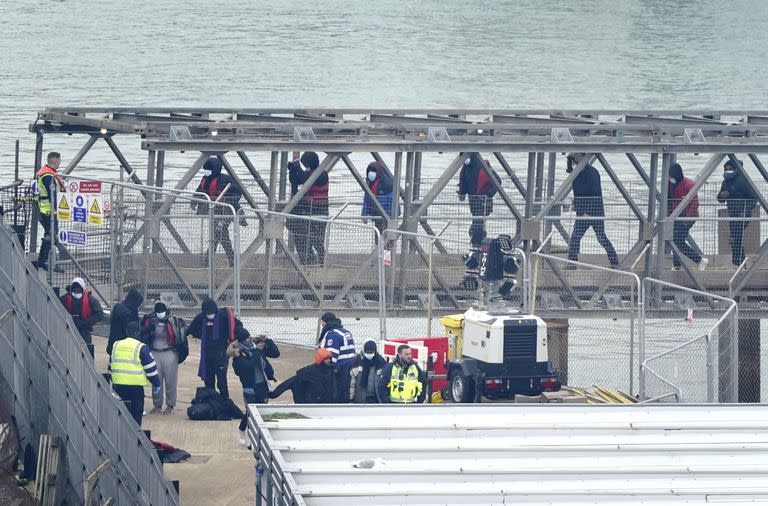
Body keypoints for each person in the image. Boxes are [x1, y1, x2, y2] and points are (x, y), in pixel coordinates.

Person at [566, 153, 619, 267]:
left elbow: (595, 193)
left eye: (575, 160)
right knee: (576, 237)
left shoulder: (591, 173)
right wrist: (569, 158)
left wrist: (588, 212)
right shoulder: (577, 173)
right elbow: (569, 170)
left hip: (594, 211)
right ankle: (572, 263)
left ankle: (615, 262)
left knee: (600, 237)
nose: (573, 163)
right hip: (583, 211)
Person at [191, 156, 243, 267]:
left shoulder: (225, 179)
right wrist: (193, 201)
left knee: (219, 233)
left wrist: (226, 202)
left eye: (208, 169)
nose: (206, 171)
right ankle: (231, 260)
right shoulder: (204, 179)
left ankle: (208, 261)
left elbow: (237, 194)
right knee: (220, 235)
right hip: (214, 213)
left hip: (227, 212)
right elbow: (199, 190)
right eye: (205, 169)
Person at [185, 297, 241, 399]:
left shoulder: (224, 316)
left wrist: (232, 341)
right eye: (207, 313)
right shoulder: (201, 317)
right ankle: (212, 402)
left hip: (221, 352)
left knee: (222, 381)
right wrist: (200, 335)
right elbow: (190, 329)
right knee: (209, 381)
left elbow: (238, 326)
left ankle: (225, 401)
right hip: (207, 353)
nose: (209, 314)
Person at [228, 328, 280, 436]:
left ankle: (256, 437)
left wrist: (268, 340)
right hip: (250, 387)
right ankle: (242, 430)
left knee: (261, 412)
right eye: (247, 339)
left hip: (263, 384)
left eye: (250, 337)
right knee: (250, 413)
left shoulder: (256, 347)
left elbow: (276, 353)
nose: (250, 340)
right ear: (241, 341)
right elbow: (251, 365)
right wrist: (258, 351)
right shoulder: (239, 354)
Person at [140, 300, 188, 415]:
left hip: (170, 353)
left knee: (170, 381)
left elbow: (180, 335)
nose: (160, 313)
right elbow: (143, 333)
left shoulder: (173, 320)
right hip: (154, 352)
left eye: (162, 310)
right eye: (158, 311)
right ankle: (157, 405)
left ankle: (170, 405)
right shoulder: (150, 320)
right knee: (156, 380)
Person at [109, 322, 160, 425]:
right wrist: (156, 383)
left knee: (121, 414)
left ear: (126, 332)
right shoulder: (141, 347)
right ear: (138, 333)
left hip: (118, 386)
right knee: (136, 414)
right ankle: (135, 437)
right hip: (135, 388)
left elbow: (111, 364)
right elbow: (150, 368)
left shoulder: (116, 344)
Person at [287, 151, 328, 264]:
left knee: (316, 239)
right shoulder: (308, 173)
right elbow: (295, 180)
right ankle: (308, 261)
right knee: (302, 237)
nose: (305, 166)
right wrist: (293, 170)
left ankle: (321, 260)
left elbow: (306, 180)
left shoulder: (321, 174)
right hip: (306, 211)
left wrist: (297, 165)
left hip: (319, 212)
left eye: (305, 163)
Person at [718, 158, 758, 266]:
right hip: (732, 215)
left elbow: (754, 198)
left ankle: (738, 263)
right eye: (726, 169)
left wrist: (745, 211)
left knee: (735, 238)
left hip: (742, 215)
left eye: (730, 169)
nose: (728, 171)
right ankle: (741, 263)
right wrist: (721, 196)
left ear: (735, 169)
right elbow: (720, 198)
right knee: (735, 239)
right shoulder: (725, 182)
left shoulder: (744, 181)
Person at [668, 163, 707, 271]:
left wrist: (687, 220)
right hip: (675, 216)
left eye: (671, 176)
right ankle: (677, 266)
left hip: (688, 217)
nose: (670, 178)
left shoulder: (688, 184)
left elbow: (695, 204)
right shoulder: (669, 184)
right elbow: (668, 201)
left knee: (678, 241)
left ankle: (699, 260)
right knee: (675, 240)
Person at [458, 153, 501, 248]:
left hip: (484, 202)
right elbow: (464, 182)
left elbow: (497, 181)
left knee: (477, 225)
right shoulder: (466, 167)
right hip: (473, 202)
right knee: (478, 224)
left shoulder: (483, 165)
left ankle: (478, 245)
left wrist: (488, 194)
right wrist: (462, 193)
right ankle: (479, 245)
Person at [33, 151, 66, 272]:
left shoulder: (45, 172)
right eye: (59, 161)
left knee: (49, 235)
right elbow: (52, 194)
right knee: (51, 235)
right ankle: (45, 262)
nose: (59, 163)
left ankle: (43, 261)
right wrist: (56, 210)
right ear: (55, 161)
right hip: (49, 211)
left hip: (46, 209)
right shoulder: (48, 175)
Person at [269, 348, 337, 403]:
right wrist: (274, 394)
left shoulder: (331, 371)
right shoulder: (309, 372)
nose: (328, 361)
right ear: (321, 360)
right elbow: (288, 383)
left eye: (329, 359)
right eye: (326, 359)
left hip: (324, 403)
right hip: (310, 403)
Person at [59, 277, 104, 357]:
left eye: (78, 290)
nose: (76, 292)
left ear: (82, 290)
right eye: (74, 290)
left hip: (85, 331)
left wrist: (86, 323)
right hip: (69, 330)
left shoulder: (91, 299)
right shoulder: (64, 299)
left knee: (86, 353)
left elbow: (100, 314)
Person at [318, 312, 355, 404]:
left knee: (338, 393)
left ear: (325, 322)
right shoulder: (346, 331)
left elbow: (330, 356)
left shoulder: (332, 334)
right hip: (351, 366)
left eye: (322, 322)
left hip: (340, 369)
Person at [361, 161, 395, 236]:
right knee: (378, 235)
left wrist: (377, 201)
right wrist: (364, 214)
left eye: (373, 171)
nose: (371, 173)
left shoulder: (387, 184)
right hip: (377, 214)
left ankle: (386, 246)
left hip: (387, 214)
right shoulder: (369, 184)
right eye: (369, 171)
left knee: (387, 235)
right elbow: (366, 199)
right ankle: (378, 246)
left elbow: (391, 199)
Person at [107, 286, 143, 355]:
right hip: (123, 347)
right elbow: (132, 331)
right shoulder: (129, 313)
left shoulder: (118, 307)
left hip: (114, 344)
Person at [349, 338, 386, 403]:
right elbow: (352, 383)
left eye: (372, 352)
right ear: (364, 351)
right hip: (360, 399)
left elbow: (384, 381)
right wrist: (350, 399)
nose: (370, 353)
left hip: (377, 399)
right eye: (367, 352)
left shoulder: (381, 361)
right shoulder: (356, 362)